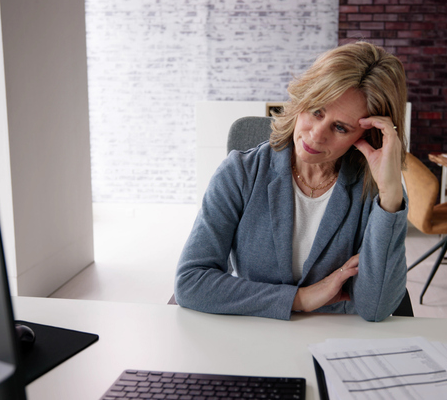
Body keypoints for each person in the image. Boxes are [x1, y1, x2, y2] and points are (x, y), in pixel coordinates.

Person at [174, 42, 409, 322]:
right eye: (316, 111)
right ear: (301, 101)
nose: (316, 135)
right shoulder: (240, 173)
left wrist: (391, 197)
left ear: (369, 136)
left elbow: (376, 308)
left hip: (336, 337)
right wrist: (300, 299)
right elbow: (191, 282)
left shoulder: (373, 192)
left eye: (340, 127)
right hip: (256, 331)